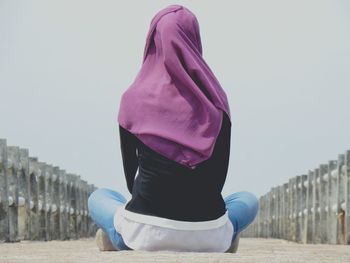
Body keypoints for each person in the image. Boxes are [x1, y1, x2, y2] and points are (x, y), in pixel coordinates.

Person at [88, 4, 259, 253]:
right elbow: (218, 180)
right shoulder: (216, 101)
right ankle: (226, 236)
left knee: (99, 197)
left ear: (153, 41)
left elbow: (130, 179)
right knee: (247, 200)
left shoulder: (133, 98)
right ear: (194, 40)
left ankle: (117, 236)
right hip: (208, 234)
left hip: (144, 232)